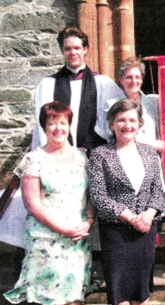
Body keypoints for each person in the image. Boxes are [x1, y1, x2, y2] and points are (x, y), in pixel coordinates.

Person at [0, 26, 124, 250]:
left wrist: (89, 146)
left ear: (86, 49)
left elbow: (115, 120)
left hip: (91, 155)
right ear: (62, 51)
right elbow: (42, 127)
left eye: (77, 48)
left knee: (90, 204)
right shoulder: (48, 84)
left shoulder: (103, 83)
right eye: (68, 49)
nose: (73, 52)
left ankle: (94, 259)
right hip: (57, 157)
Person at [3, 102, 96, 305]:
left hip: (76, 241)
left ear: (69, 125)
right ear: (44, 127)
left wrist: (89, 221)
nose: (58, 128)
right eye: (52, 123)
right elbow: (33, 204)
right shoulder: (35, 160)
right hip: (46, 241)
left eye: (63, 123)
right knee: (49, 301)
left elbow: (91, 196)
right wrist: (63, 228)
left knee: (74, 299)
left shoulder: (81, 157)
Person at [89, 99, 165, 305]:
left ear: (140, 125)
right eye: (121, 120)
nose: (127, 125)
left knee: (141, 293)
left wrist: (149, 215)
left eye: (132, 120)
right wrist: (131, 217)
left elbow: (157, 190)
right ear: (112, 124)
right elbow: (98, 195)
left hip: (145, 231)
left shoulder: (150, 153)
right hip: (116, 232)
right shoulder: (100, 155)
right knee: (120, 293)